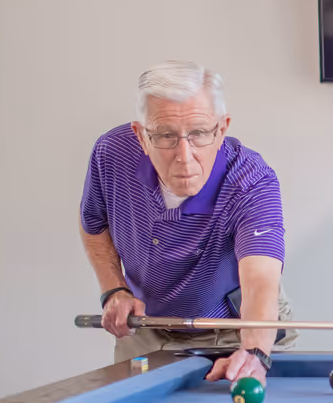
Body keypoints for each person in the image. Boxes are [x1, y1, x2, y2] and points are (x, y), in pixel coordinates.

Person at [79, 61, 293, 385]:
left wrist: (255, 352)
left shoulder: (251, 180)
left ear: (222, 130)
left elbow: (261, 280)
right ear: (141, 135)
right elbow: (94, 225)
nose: (184, 155)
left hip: (236, 330)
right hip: (146, 331)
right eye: (166, 136)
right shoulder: (111, 154)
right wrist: (114, 289)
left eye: (199, 134)